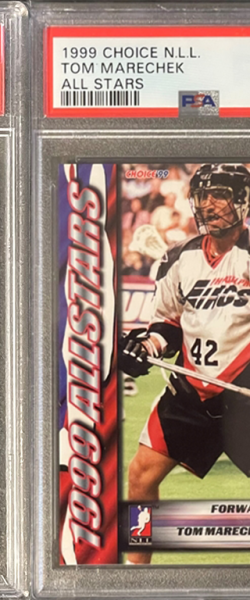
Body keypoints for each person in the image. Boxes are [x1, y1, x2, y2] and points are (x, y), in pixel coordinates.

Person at [119, 163, 250, 564]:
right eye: (203, 195)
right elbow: (167, 326)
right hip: (190, 395)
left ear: (242, 201)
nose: (209, 204)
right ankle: (137, 577)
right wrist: (147, 347)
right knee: (140, 477)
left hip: (244, 399)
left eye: (219, 194)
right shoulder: (180, 258)